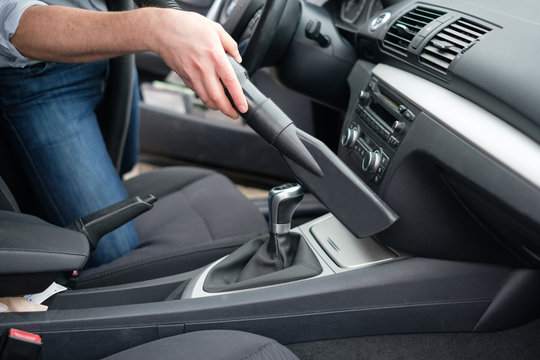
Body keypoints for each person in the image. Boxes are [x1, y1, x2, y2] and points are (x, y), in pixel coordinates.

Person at [0, 0, 248, 267]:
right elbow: (9, 21)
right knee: (112, 252)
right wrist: (157, 27)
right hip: (38, 76)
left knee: (122, 163)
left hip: (111, 47)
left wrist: (172, 17)